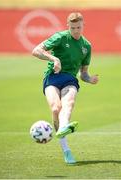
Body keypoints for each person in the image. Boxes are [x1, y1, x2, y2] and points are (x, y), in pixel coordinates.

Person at [32, 12, 99, 164]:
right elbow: (36, 50)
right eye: (73, 27)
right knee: (56, 108)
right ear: (67, 26)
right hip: (52, 76)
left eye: (79, 27)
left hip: (70, 79)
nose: (76, 30)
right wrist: (54, 58)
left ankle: (63, 127)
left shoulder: (86, 46)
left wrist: (90, 79)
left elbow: (83, 74)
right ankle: (66, 149)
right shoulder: (60, 37)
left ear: (83, 26)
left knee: (68, 103)